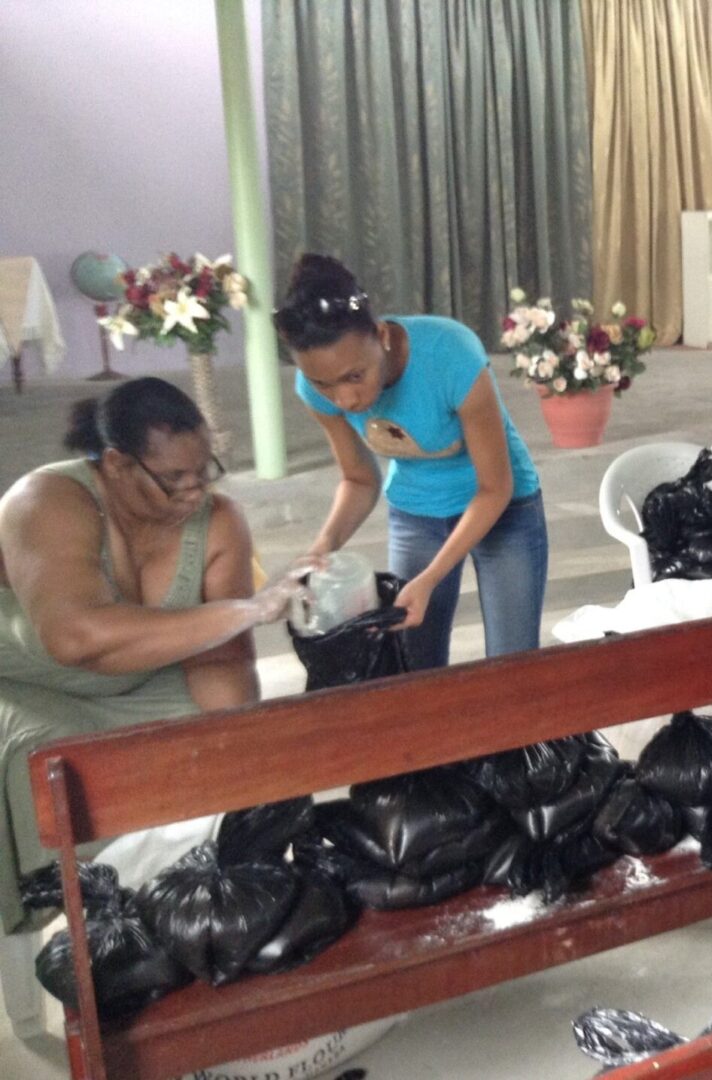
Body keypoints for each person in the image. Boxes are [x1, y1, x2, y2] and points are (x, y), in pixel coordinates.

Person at [0, 378, 309, 932]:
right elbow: (75, 638)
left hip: (140, 684)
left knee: (218, 773)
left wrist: (241, 772)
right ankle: (88, 914)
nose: (194, 493)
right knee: (57, 769)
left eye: (204, 471)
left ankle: (170, 918)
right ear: (117, 465)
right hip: (31, 687)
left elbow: (221, 666)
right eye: (173, 479)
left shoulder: (218, 521)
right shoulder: (46, 501)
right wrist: (248, 611)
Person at [274, 254, 547, 669]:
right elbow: (359, 480)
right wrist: (322, 547)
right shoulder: (314, 390)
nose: (345, 399)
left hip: (504, 508)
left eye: (354, 376)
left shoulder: (450, 354)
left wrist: (431, 577)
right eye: (323, 384)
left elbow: (496, 488)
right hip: (416, 511)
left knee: (512, 670)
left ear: (381, 335)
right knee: (414, 667)